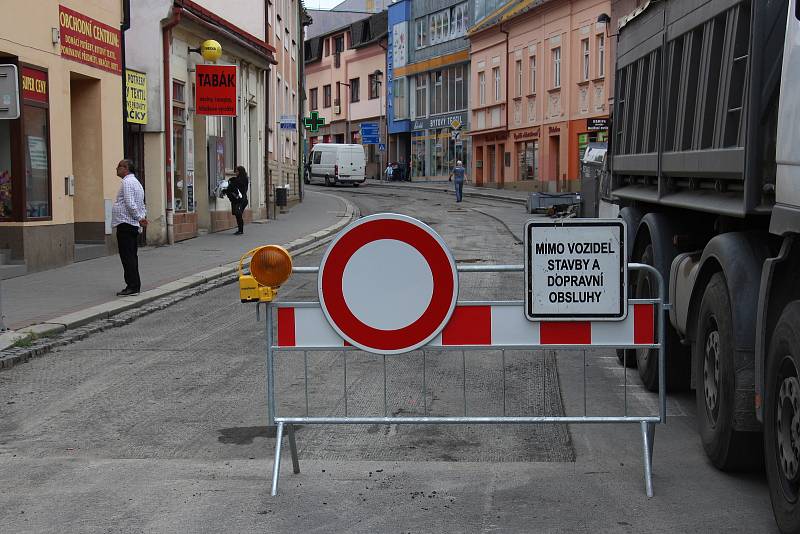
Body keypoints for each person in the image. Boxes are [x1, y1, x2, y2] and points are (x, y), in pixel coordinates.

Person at [111, 159, 147, 296]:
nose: (116, 168)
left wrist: (139, 218)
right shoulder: (137, 183)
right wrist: (141, 218)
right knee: (132, 256)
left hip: (126, 224)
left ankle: (132, 286)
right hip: (132, 224)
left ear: (125, 168)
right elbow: (141, 204)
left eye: (118, 166)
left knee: (127, 257)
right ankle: (135, 285)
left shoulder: (127, 182)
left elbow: (130, 203)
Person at [227, 166, 249, 235]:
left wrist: (231, 183)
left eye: (237, 171)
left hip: (241, 200)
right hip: (238, 200)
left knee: (238, 214)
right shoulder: (239, 179)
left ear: (240, 172)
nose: (236, 173)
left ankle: (240, 230)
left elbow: (236, 185)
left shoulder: (243, 179)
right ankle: (240, 229)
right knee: (238, 214)